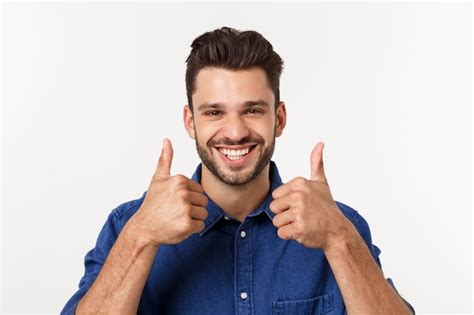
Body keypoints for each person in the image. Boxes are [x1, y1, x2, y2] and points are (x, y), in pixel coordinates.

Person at [62, 27, 414, 314]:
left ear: (279, 119)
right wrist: (141, 236)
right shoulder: (129, 225)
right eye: (214, 112)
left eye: (252, 111)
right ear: (190, 122)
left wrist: (339, 239)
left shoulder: (339, 226)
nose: (234, 131)